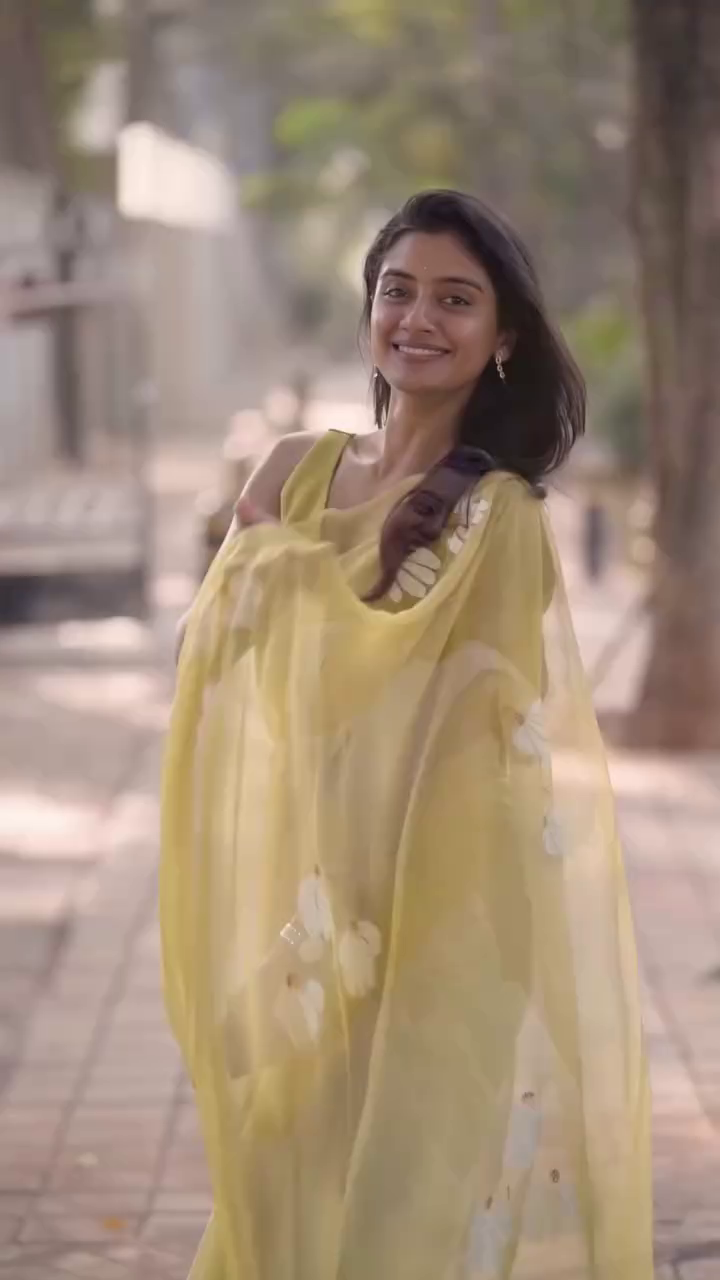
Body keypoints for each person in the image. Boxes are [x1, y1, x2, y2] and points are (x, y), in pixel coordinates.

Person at [161, 190, 653, 1280]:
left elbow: (476, 740)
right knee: (277, 1199)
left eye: (456, 299)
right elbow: (210, 653)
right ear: (370, 309)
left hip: (444, 917)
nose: (419, 318)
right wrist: (272, 580)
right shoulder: (291, 472)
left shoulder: (498, 519)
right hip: (315, 906)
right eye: (399, 290)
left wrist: (286, 583)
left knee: (402, 1222)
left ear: (503, 336)